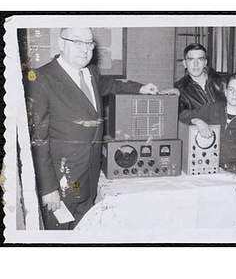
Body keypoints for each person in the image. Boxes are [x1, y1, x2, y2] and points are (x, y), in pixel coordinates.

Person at [24, 27, 159, 230]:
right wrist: (47, 189)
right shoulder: (40, 79)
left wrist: (139, 87)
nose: (84, 49)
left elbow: (112, 85)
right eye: (77, 42)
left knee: (84, 232)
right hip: (61, 184)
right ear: (61, 43)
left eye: (89, 44)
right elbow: (37, 140)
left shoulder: (91, 73)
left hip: (90, 178)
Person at [179, 73, 236, 219]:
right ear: (226, 91)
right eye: (231, 89)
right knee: (222, 218)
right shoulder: (213, 109)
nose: (234, 93)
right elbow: (184, 114)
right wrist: (198, 120)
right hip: (219, 174)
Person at [174, 43, 236, 126]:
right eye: (191, 59)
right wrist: (197, 121)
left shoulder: (224, 79)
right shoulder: (180, 87)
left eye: (200, 59)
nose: (196, 64)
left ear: (205, 62)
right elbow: (181, 113)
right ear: (185, 63)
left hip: (231, 131)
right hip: (205, 135)